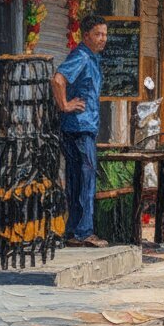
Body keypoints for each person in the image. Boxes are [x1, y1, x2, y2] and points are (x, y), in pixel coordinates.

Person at [51, 14, 108, 248]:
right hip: (79, 128)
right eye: (98, 34)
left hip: (81, 127)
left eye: (105, 34)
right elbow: (58, 80)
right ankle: (84, 232)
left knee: (77, 179)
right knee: (85, 180)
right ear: (86, 36)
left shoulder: (92, 58)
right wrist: (64, 105)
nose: (103, 38)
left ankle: (74, 231)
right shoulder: (81, 56)